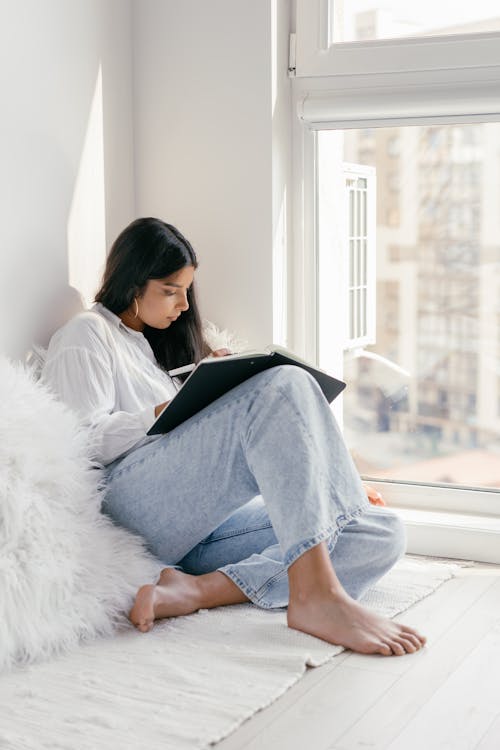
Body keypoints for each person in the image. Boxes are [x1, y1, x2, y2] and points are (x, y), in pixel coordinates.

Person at [41, 217, 426, 657]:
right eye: (170, 290)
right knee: (285, 384)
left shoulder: (153, 348)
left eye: (187, 290)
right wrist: (167, 408)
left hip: (199, 522)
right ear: (131, 283)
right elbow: (83, 442)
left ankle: (195, 591)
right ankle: (314, 596)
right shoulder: (87, 334)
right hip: (132, 502)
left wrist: (330, 492)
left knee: (378, 530)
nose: (184, 305)